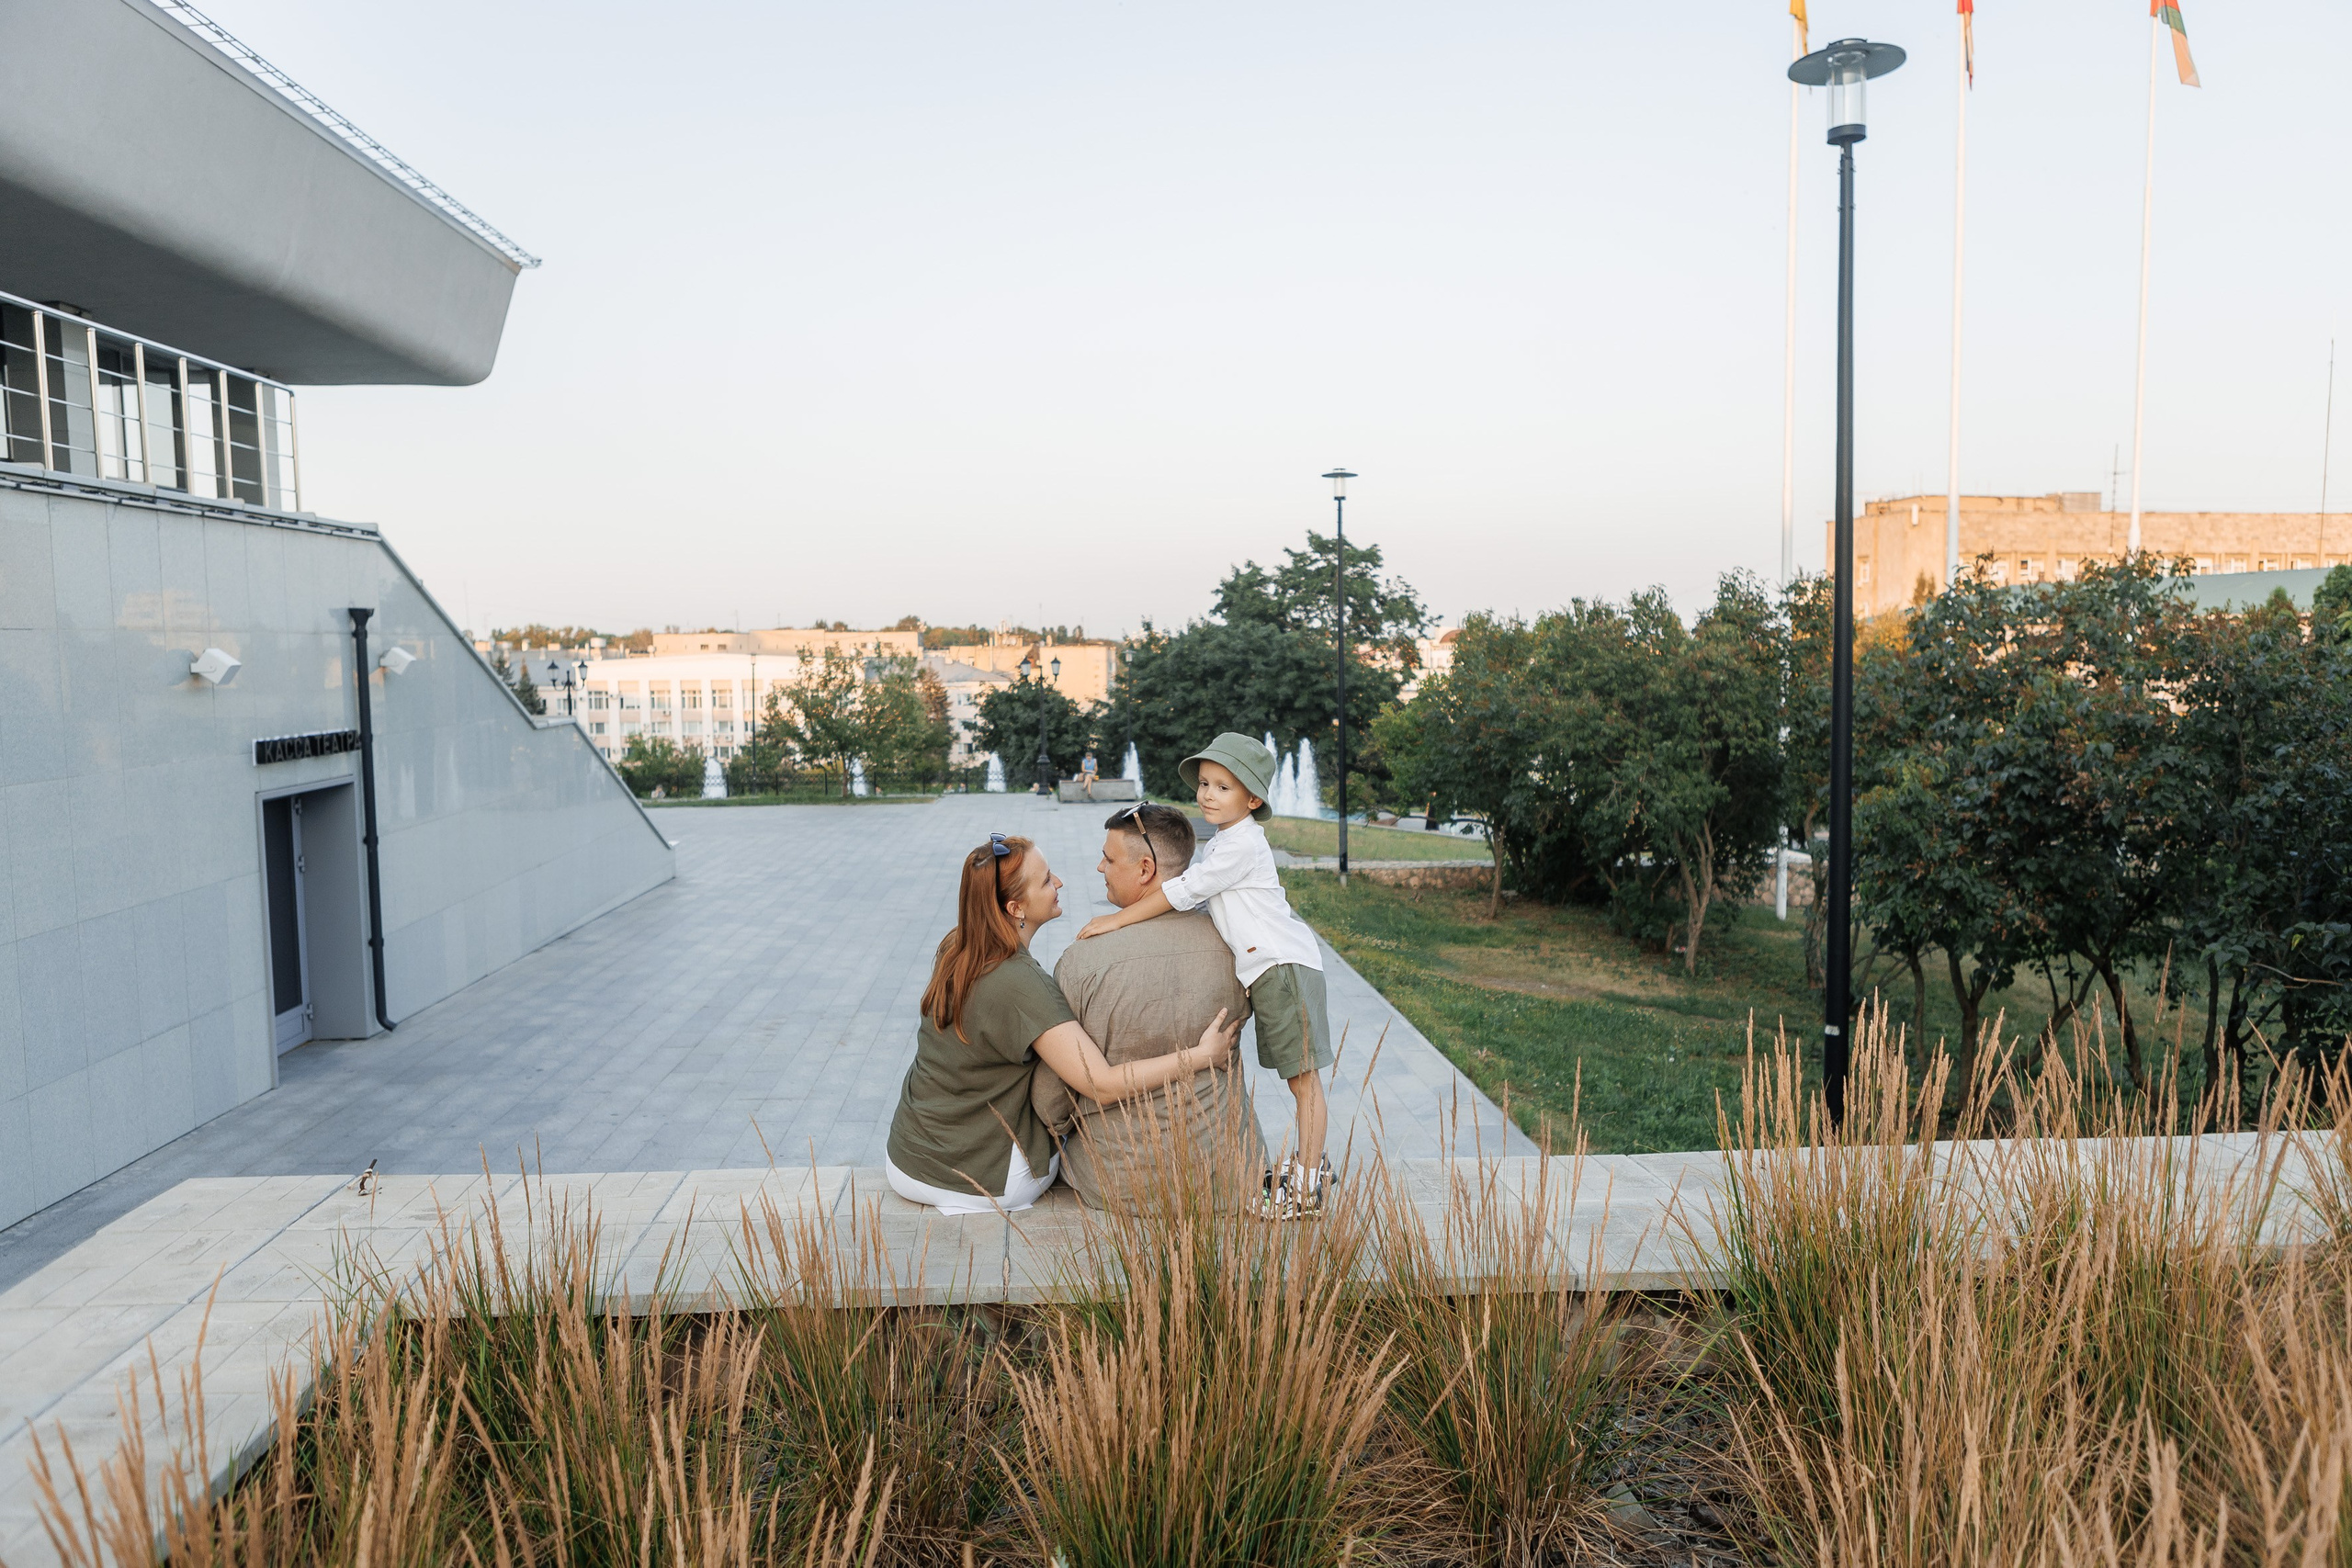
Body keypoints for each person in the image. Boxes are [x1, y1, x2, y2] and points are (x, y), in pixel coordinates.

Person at [886, 832, 1241, 1213]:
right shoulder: (1022, 985)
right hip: (980, 1179)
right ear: (1015, 907)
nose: (1059, 883)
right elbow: (1101, 1085)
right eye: (1046, 879)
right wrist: (1201, 1056)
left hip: (906, 1161)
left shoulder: (957, 946)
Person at [1077, 733, 1334, 1220]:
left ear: (1253, 800)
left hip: (1283, 967)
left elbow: (1182, 891)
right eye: (1204, 784)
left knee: (1304, 1083)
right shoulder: (1226, 842)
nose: (1207, 795)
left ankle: (1307, 1187)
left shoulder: (1242, 846)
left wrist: (1115, 920)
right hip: (1273, 968)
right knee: (1300, 1080)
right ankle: (1307, 1175)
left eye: (1223, 787)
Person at [1033, 803, 1266, 1211]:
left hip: (1117, 1181)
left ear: (1144, 869)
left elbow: (1052, 1099)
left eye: (1108, 858)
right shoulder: (1239, 952)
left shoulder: (1082, 962)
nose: (1099, 867)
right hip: (1225, 1175)